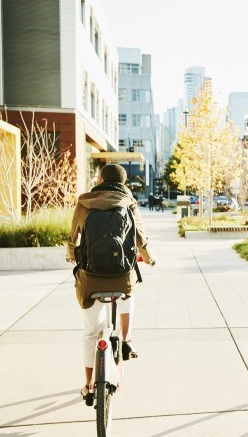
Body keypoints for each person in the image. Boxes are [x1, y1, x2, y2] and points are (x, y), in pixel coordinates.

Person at [67, 164, 156, 402]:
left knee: (91, 333)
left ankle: (88, 385)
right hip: (121, 277)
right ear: (124, 183)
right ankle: (126, 341)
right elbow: (139, 237)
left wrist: (70, 255)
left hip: (90, 279)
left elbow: (73, 235)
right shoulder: (128, 203)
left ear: (100, 179)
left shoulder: (84, 202)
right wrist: (149, 259)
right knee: (129, 289)